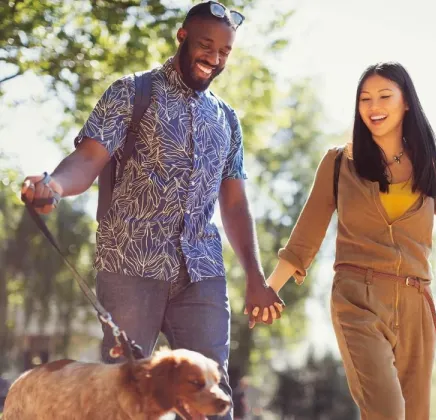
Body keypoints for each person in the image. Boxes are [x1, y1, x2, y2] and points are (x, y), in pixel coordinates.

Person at [20, 2, 283, 418]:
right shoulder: (132, 92)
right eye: (205, 45)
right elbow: (89, 160)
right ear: (182, 37)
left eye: (225, 51)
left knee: (212, 393)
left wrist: (255, 276)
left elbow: (234, 203)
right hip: (130, 265)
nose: (214, 59)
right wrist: (52, 185)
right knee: (123, 391)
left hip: (202, 272)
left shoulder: (227, 120)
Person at [254, 62, 436, 419]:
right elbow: (305, 237)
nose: (373, 106)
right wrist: (269, 289)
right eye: (365, 99)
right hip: (357, 300)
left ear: (406, 103)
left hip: (417, 306)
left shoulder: (433, 166)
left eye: (385, 96)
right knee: (387, 411)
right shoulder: (340, 163)